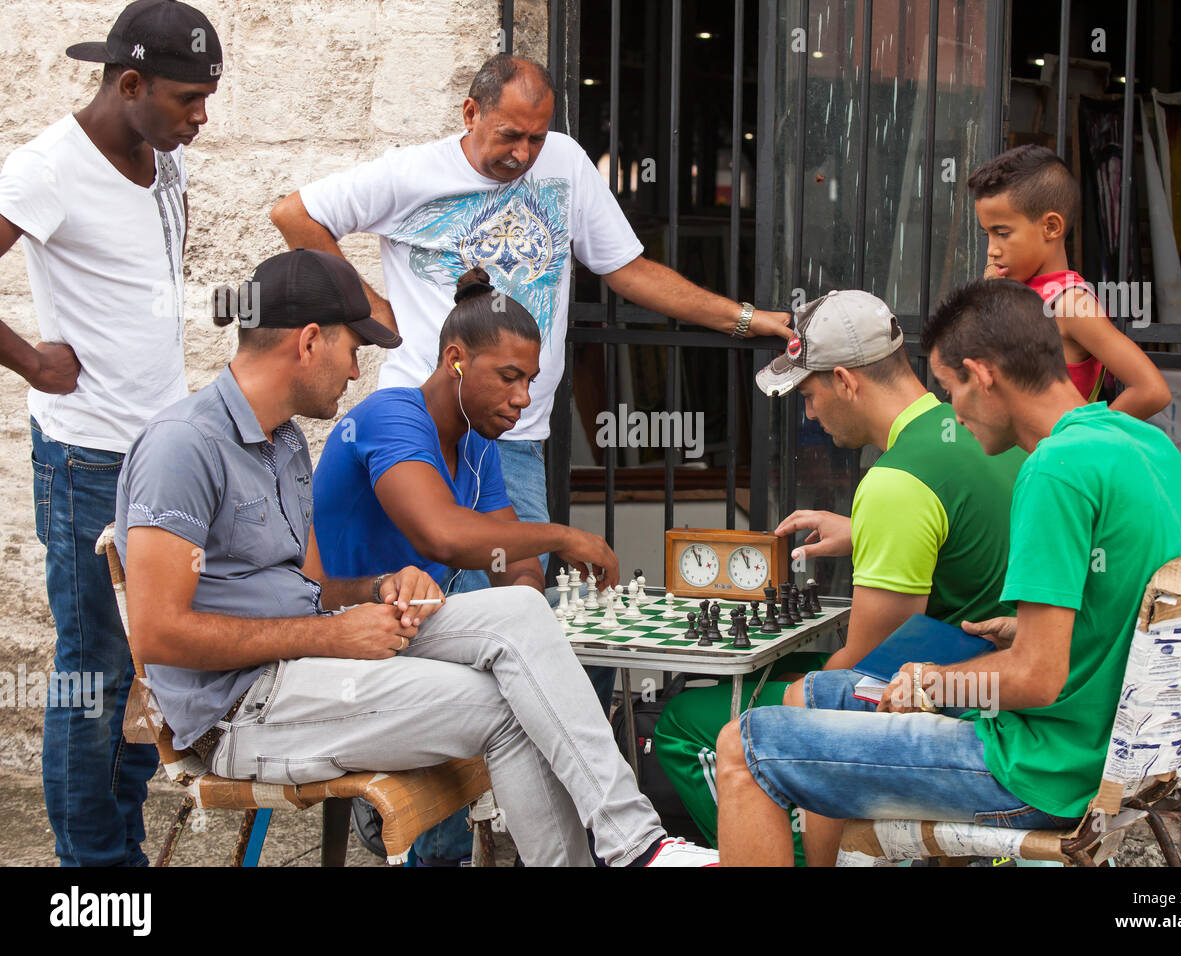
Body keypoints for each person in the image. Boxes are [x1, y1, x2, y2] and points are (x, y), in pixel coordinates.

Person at [115, 248, 717, 867]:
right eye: (354, 349)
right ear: (310, 342)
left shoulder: (286, 443)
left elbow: (313, 589)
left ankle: (636, 844)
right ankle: (632, 851)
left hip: (308, 660)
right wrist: (331, 638)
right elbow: (157, 635)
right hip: (242, 708)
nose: (355, 371)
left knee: (517, 613)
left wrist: (378, 589)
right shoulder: (183, 445)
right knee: (514, 707)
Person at [713, 279, 1181, 866]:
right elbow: (1121, 612)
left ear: (982, 374)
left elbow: (1038, 678)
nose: (953, 413)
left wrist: (932, 683)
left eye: (950, 388)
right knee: (818, 694)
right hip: (1104, 748)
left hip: (1040, 769)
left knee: (742, 745)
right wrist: (1018, 632)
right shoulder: (1145, 443)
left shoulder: (1055, 470)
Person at [269, 53, 793, 591]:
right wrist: (369, 308)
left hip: (516, 433)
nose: (523, 154)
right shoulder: (409, 172)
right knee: (439, 595)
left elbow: (629, 270)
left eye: (536, 138)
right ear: (470, 112)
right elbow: (295, 213)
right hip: (430, 427)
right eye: (510, 135)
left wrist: (743, 320)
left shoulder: (565, 161)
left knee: (520, 595)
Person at [652, 290, 1025, 857]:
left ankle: (788, 851)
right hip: (989, 682)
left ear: (847, 381)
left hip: (946, 707)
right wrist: (864, 531)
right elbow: (966, 530)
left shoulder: (896, 483)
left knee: (685, 718)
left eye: (809, 394)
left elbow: (862, 667)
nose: (809, 413)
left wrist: (880, 520)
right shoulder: (976, 428)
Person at [0, 0, 222, 866]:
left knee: (151, 662)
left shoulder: (159, 154)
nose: (202, 116)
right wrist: (28, 360)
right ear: (129, 84)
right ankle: (92, 872)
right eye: (188, 99)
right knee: (93, 674)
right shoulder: (46, 168)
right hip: (87, 455)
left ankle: (120, 840)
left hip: (160, 450)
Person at [311, 266, 626, 863]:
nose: (523, 399)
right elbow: (444, 538)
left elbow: (512, 560)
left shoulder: (478, 442)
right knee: (503, 675)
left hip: (429, 623)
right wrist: (563, 536)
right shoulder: (391, 416)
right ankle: (427, 845)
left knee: (585, 645)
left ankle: (582, 832)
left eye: (530, 381)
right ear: (455, 360)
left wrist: (531, 585)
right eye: (509, 377)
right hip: (360, 630)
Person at [968, 144, 1170, 417]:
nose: (991, 249)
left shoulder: (1070, 303)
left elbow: (1152, 390)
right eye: (987, 235)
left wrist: (1076, 440)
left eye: (1002, 233)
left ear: (1051, 227)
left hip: (1049, 457)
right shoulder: (1011, 287)